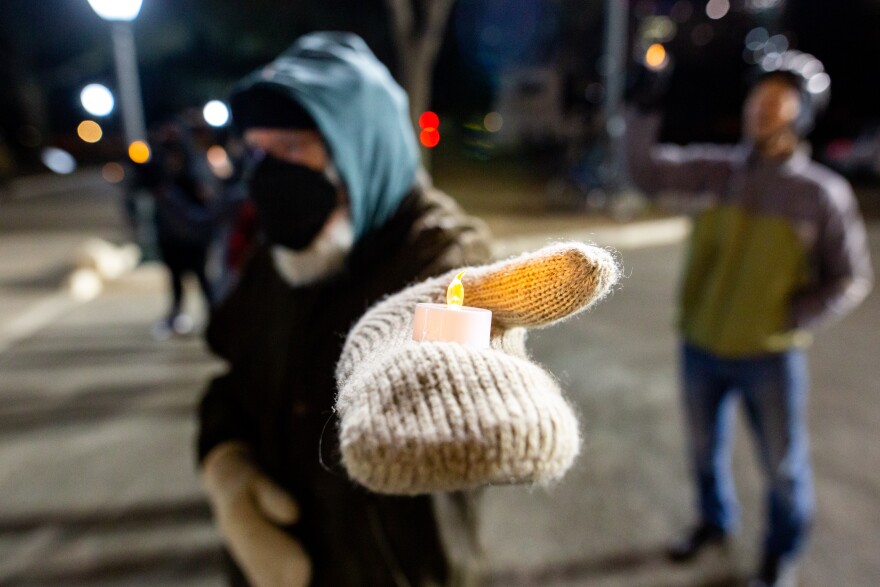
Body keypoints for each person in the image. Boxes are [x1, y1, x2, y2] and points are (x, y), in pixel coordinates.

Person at [196, 32, 619, 587]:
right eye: (258, 151)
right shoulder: (276, 252)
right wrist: (226, 469)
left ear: (359, 145)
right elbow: (230, 377)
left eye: (292, 149)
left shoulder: (439, 247)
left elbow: (456, 309)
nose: (269, 174)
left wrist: (441, 360)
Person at [625, 52, 873, 586]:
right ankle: (714, 523)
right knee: (702, 451)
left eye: (778, 103)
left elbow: (850, 276)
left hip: (770, 357)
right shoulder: (718, 173)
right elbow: (645, 173)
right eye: (757, 100)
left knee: (784, 469)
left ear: (801, 115)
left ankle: (779, 555)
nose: (762, 111)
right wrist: (643, 107)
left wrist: (792, 314)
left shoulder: (820, 195)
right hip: (701, 345)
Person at [141, 122, 220, 338]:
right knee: (175, 279)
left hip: (194, 237)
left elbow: (209, 201)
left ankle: (217, 318)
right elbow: (140, 182)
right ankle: (177, 317)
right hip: (170, 237)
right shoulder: (160, 169)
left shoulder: (195, 169)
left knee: (202, 278)